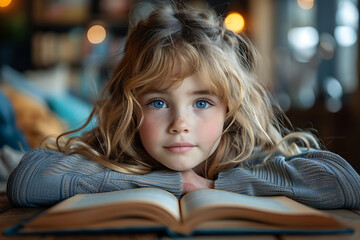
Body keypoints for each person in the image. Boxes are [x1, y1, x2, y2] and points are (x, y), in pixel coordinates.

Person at [7, 2, 360, 209]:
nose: (180, 123)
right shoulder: (118, 153)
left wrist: (210, 188)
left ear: (230, 110)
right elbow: (28, 179)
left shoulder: (246, 154)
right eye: (158, 102)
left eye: (202, 102)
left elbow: (344, 182)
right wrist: (169, 183)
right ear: (131, 109)